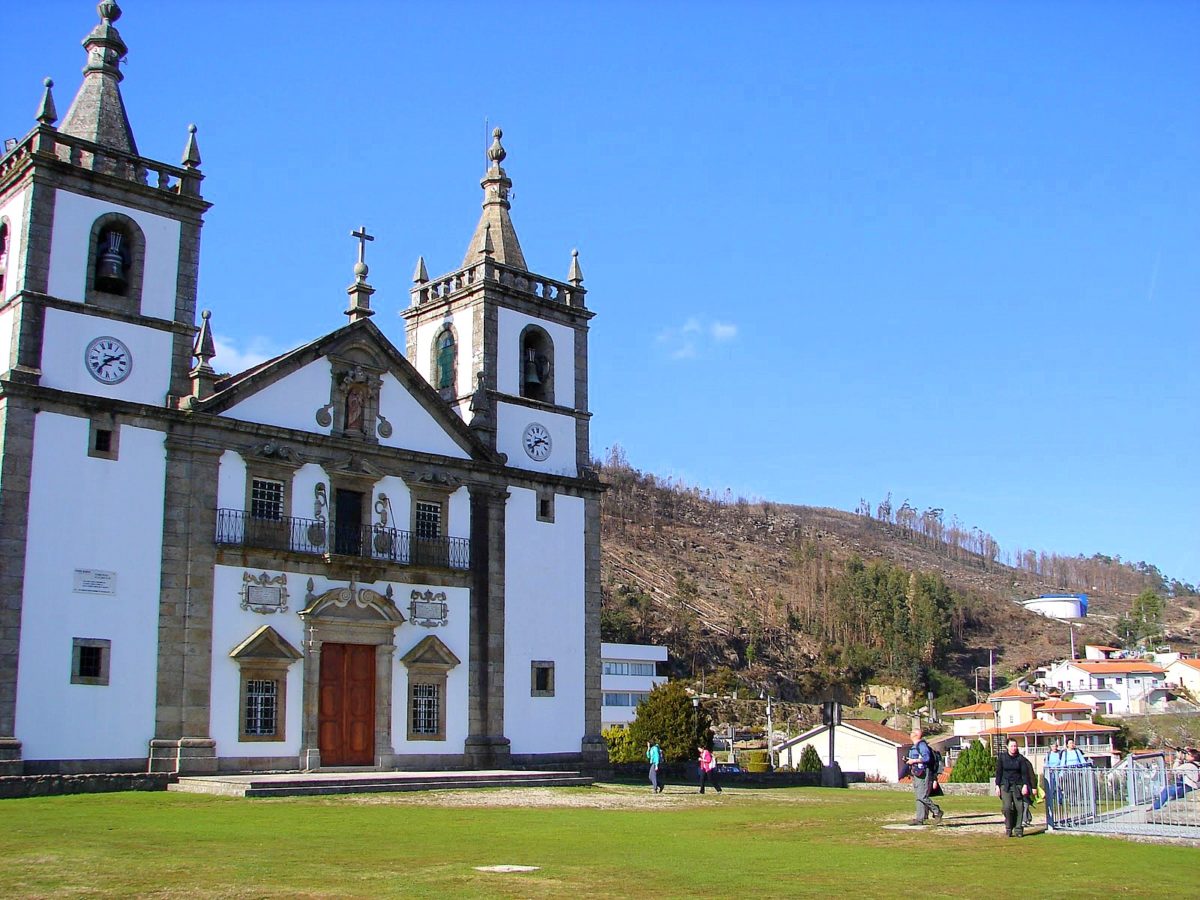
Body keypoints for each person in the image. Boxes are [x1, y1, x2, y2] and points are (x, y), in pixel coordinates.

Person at [995, 738, 1036, 837]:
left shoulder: (1020, 759)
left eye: (1015, 746)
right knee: (1007, 807)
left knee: (1020, 808)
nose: (1014, 748)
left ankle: (1018, 829)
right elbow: (998, 773)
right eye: (1012, 746)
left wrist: (1026, 785)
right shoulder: (1002, 758)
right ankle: (1009, 827)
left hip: (1018, 785)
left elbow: (1025, 774)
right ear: (1007, 747)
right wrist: (997, 786)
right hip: (1005, 785)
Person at [903, 727, 943, 825]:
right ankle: (919, 819)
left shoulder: (922, 745)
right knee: (918, 797)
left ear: (916, 735)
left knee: (922, 796)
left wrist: (914, 761)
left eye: (912, 732)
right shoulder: (915, 746)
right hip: (916, 773)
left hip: (924, 773)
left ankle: (937, 811)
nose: (910, 734)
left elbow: (926, 758)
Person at [1043, 739, 1064, 829]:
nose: (1054, 747)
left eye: (1055, 746)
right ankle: (1051, 798)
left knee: (1058, 787)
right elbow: (1046, 764)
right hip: (1050, 773)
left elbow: (1062, 763)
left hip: (1058, 772)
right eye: (1052, 746)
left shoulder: (1060, 754)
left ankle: (1060, 799)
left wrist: (1061, 773)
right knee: (1050, 788)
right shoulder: (1048, 755)